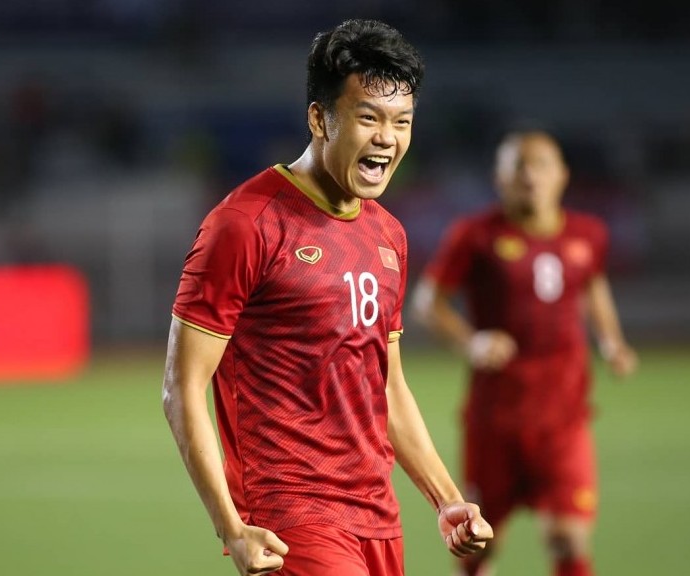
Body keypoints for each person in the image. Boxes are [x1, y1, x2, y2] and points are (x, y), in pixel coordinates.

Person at [162, 19, 493, 576]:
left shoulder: (388, 235)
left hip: (377, 518)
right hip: (291, 517)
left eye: (402, 122)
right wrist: (231, 526)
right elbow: (182, 385)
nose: (387, 137)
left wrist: (446, 499)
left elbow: (387, 386)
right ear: (319, 119)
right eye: (368, 117)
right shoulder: (245, 224)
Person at [414, 131, 638, 576]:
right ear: (499, 178)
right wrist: (472, 341)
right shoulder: (475, 235)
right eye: (519, 167)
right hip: (495, 420)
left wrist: (612, 340)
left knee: (568, 537)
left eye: (541, 165)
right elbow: (427, 303)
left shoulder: (588, 234)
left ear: (563, 175)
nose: (530, 176)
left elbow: (593, 286)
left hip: (563, 419)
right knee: (477, 544)